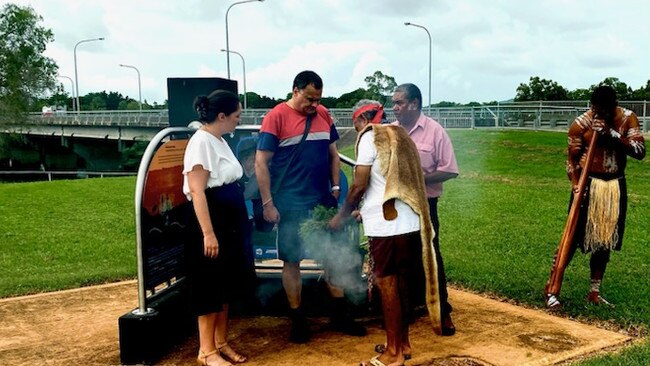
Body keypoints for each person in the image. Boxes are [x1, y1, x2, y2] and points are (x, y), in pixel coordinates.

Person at [254, 70, 366, 343]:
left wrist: (336, 188)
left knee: (333, 256)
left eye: (318, 99)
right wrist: (268, 203)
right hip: (290, 203)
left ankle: (340, 315)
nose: (314, 105)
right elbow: (261, 162)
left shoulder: (323, 114)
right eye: (309, 98)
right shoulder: (276, 117)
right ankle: (298, 320)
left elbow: (333, 154)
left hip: (322, 202)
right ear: (295, 91)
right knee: (292, 260)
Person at [330, 100, 443, 366]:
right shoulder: (401, 135)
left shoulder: (371, 137)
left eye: (355, 123)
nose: (356, 129)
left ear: (362, 120)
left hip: (386, 225)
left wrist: (340, 216)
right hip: (410, 221)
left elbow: (359, 186)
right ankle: (402, 344)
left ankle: (393, 354)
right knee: (401, 282)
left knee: (387, 282)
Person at [545, 85, 646, 308]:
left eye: (604, 111)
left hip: (614, 185)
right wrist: (575, 185)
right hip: (588, 184)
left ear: (613, 108)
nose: (599, 114)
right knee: (571, 237)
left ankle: (594, 291)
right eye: (595, 110)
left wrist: (611, 135)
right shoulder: (581, 124)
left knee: (605, 239)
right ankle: (552, 288)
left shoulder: (627, 119)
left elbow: (639, 151)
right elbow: (571, 160)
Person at [183, 90, 253, 366]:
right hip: (212, 221)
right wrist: (208, 233)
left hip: (230, 220)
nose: (239, 120)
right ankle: (206, 350)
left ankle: (221, 342)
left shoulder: (220, 140)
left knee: (225, 285)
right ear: (221, 116)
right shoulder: (201, 142)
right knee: (209, 285)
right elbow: (197, 191)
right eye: (236, 116)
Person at [391, 83, 459, 335]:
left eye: (399, 103)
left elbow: (450, 169)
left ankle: (443, 313)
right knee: (402, 258)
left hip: (425, 204)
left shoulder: (435, 132)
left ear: (414, 104)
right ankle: (406, 310)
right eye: (394, 103)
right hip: (397, 204)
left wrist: (419, 179)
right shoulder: (391, 132)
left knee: (431, 256)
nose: (395, 108)